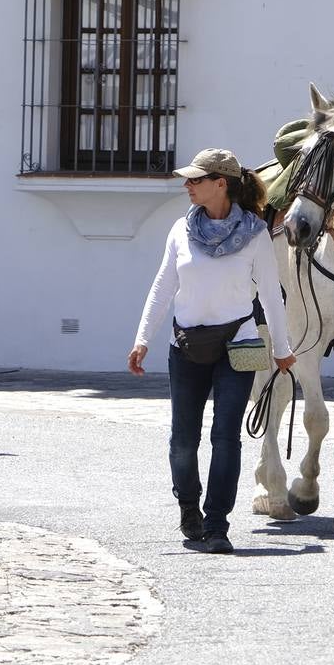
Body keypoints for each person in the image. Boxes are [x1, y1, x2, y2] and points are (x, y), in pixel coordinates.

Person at [128, 148, 296, 555]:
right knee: (183, 441)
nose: (187, 185)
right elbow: (162, 287)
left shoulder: (256, 234)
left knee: (226, 438)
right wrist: (142, 338)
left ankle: (218, 524)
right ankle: (189, 509)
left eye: (196, 180)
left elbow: (271, 295)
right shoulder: (179, 231)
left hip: (239, 345)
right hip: (185, 345)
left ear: (221, 184)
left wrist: (283, 350)